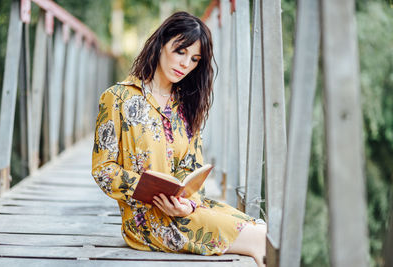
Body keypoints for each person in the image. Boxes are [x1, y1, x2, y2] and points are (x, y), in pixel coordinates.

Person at [91, 11, 266, 266]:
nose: (186, 64)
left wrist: (188, 205)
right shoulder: (117, 97)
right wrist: (146, 189)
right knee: (260, 242)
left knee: (265, 233)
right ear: (161, 43)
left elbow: (192, 169)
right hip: (146, 223)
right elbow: (103, 170)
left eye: (195, 59)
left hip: (185, 211)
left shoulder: (186, 106)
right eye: (180, 51)